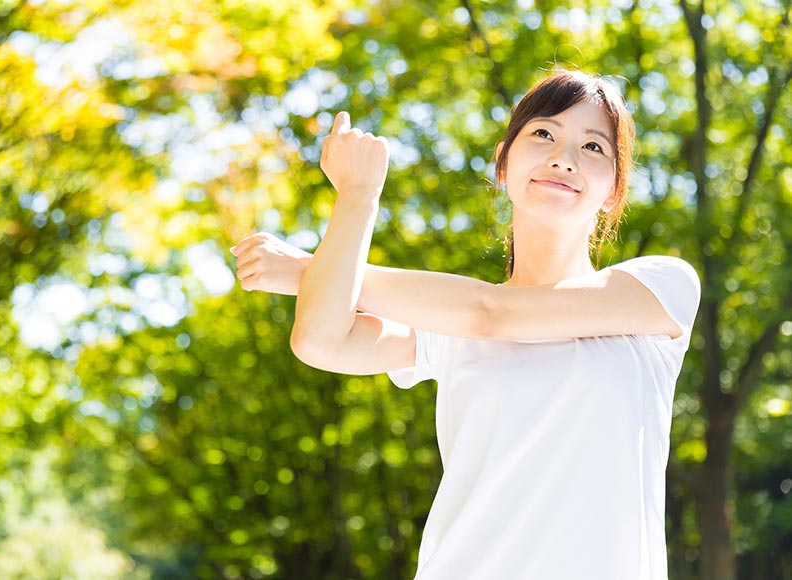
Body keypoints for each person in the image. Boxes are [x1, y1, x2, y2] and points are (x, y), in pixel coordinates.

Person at [230, 70, 700, 580]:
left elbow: (489, 315)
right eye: (543, 133)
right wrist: (359, 193)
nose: (564, 157)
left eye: (593, 146)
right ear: (503, 161)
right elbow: (320, 341)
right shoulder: (445, 322)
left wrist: (309, 271)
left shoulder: (659, 292)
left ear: (614, 190)